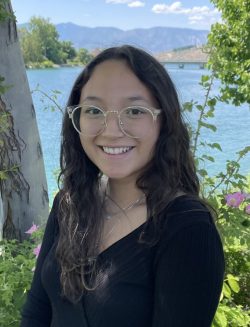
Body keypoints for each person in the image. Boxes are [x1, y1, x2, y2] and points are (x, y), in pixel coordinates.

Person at [21, 45, 225, 327]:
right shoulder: (69, 202)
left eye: (134, 111)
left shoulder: (186, 228)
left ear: (163, 121)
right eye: (94, 109)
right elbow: (37, 312)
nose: (112, 129)